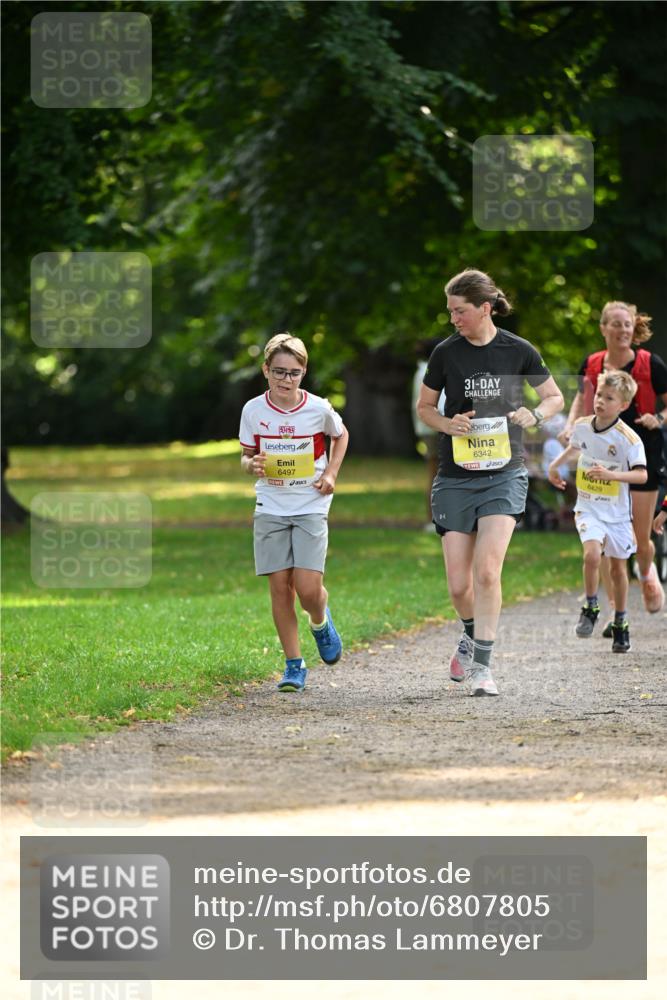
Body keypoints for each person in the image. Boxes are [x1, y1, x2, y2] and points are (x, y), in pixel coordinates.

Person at [416, 268, 564, 696]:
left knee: (486, 573)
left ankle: (483, 666)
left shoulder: (518, 350)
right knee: (459, 586)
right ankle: (469, 631)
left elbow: (553, 397)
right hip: (456, 476)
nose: (452, 319)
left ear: (484, 308)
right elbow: (426, 407)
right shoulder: (446, 353)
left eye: (459, 311)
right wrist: (448, 423)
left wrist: (534, 414)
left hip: (504, 473)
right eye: (449, 312)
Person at [239, 333, 349, 692]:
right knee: (279, 588)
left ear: (304, 373)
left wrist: (331, 473)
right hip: (270, 504)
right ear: (266, 370)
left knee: (308, 588)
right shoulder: (253, 410)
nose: (286, 380)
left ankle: (320, 621)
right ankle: (294, 664)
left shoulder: (317, 408)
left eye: (295, 373)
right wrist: (251, 464)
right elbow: (246, 456)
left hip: (310, 504)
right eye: (279, 372)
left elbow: (341, 435)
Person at [559, 302, 667, 619]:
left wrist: (657, 418)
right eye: (616, 324)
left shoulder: (651, 364)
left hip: (641, 458)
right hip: (601, 462)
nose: (623, 330)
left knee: (640, 535)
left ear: (634, 329)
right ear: (604, 328)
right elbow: (581, 398)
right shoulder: (592, 363)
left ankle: (647, 574)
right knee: (603, 539)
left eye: (628, 325)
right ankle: (611, 608)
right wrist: (569, 426)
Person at [548, 370, 648, 652]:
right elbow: (574, 448)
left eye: (609, 398)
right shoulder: (582, 425)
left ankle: (620, 621)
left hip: (617, 515)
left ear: (623, 405)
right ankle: (591, 605)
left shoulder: (629, 439)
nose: (601, 401)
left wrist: (612, 476)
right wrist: (555, 465)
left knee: (618, 569)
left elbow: (641, 476)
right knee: (592, 554)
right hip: (588, 506)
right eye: (599, 395)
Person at [412, 338, 446, 528]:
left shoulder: (421, 371)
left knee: (434, 474)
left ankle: (434, 518)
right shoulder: (429, 372)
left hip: (428, 428)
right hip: (436, 428)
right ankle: (434, 518)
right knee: (437, 474)